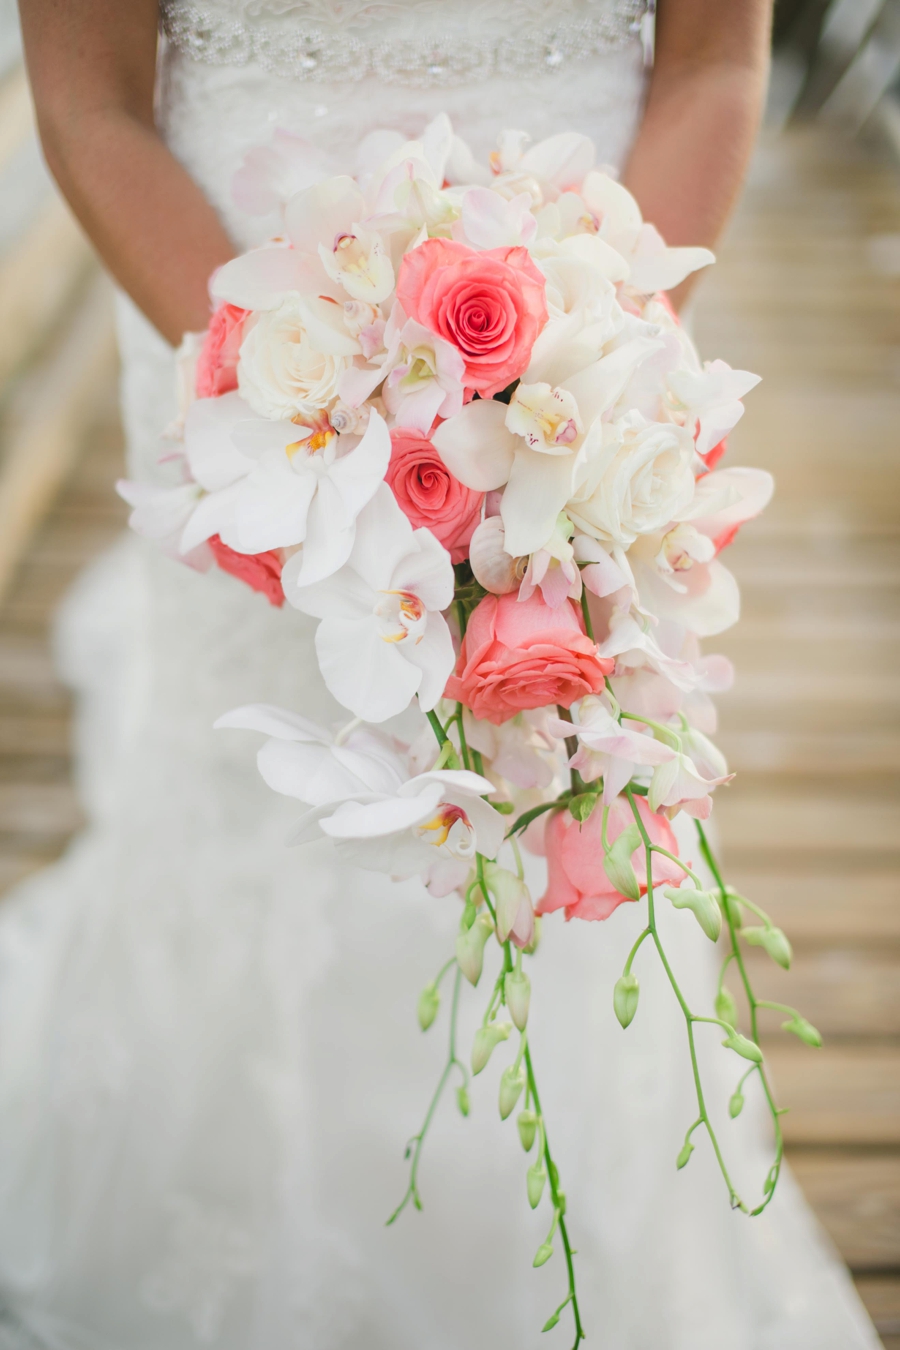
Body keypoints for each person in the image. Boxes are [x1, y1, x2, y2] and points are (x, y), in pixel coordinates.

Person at [0, 2, 880, 1347]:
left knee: (543, 774)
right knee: (254, 773)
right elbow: (87, 101)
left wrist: (572, 388)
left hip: (575, 365)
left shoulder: (579, 374)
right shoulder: (251, 382)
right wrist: (306, 420)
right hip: (236, 352)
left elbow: (716, 57)